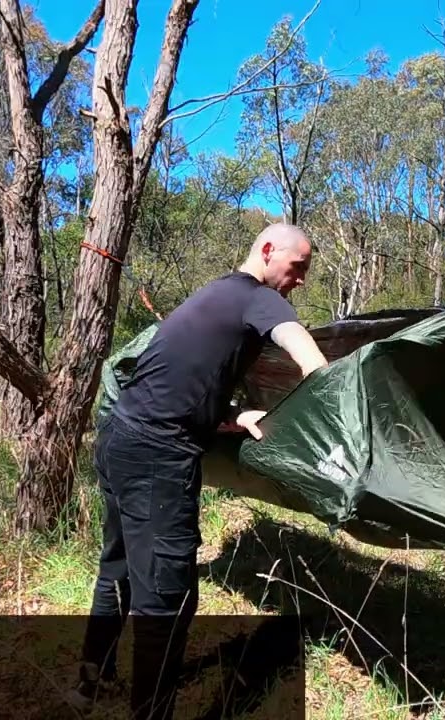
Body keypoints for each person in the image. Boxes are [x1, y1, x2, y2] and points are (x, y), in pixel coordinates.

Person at [67, 223, 329, 718]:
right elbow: (306, 352)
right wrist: (332, 389)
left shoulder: (216, 293)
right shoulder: (259, 298)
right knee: (167, 599)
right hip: (156, 459)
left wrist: (232, 417)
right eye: (297, 268)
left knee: (118, 568)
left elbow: (182, 379)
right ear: (268, 251)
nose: (300, 281)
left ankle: (89, 681)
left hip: (119, 438)